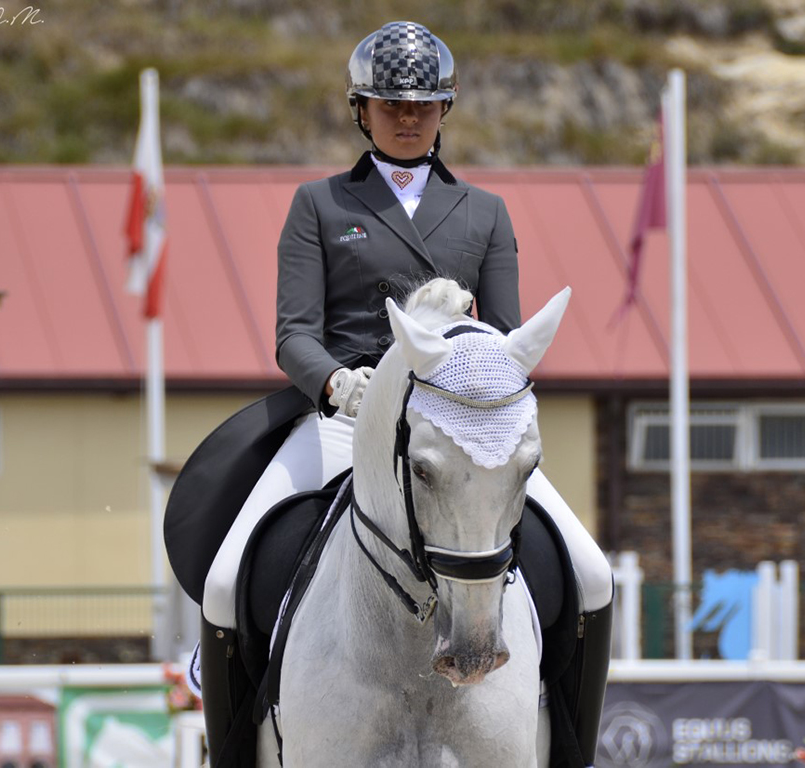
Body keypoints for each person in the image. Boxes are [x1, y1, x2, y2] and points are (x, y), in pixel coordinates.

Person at [197, 20, 613, 766]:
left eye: (423, 104)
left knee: (592, 571)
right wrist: (336, 381)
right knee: (228, 574)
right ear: (360, 109)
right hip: (346, 416)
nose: (408, 115)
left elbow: (508, 337)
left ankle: (574, 748)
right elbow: (294, 332)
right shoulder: (319, 205)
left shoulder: (485, 212)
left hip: (454, 426)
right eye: (390, 104)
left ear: (445, 111)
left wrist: (476, 394)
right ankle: (233, 748)